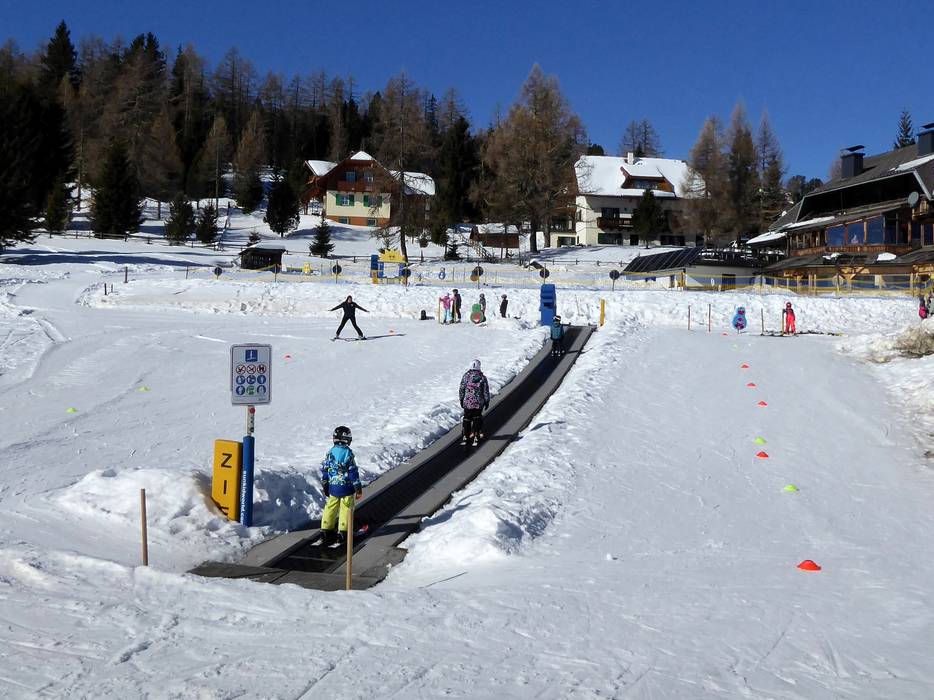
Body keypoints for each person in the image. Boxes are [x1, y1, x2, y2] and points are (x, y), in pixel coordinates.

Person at [319, 426, 363, 547]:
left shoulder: (330, 452)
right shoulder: (348, 453)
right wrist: (358, 487)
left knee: (330, 507)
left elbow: (325, 469)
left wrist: (325, 482)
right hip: (346, 487)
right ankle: (343, 531)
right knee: (346, 508)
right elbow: (352, 471)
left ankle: (326, 529)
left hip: (333, 487)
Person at [459, 359, 491, 446]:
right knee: (477, 417)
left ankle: (465, 436)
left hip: (467, 402)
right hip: (478, 403)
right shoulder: (482, 378)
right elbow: (485, 391)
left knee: (467, 418)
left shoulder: (466, 377)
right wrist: (487, 401)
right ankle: (476, 435)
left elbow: (462, 389)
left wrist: (461, 399)